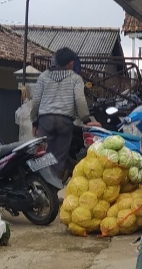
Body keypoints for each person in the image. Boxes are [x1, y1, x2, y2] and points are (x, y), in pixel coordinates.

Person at [30, 47, 96, 179]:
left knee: (43, 153)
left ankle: (41, 182)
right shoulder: (75, 78)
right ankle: (54, 182)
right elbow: (80, 100)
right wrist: (87, 120)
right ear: (71, 63)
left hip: (45, 121)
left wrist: (34, 122)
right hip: (65, 122)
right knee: (59, 156)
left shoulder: (43, 76)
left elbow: (36, 101)